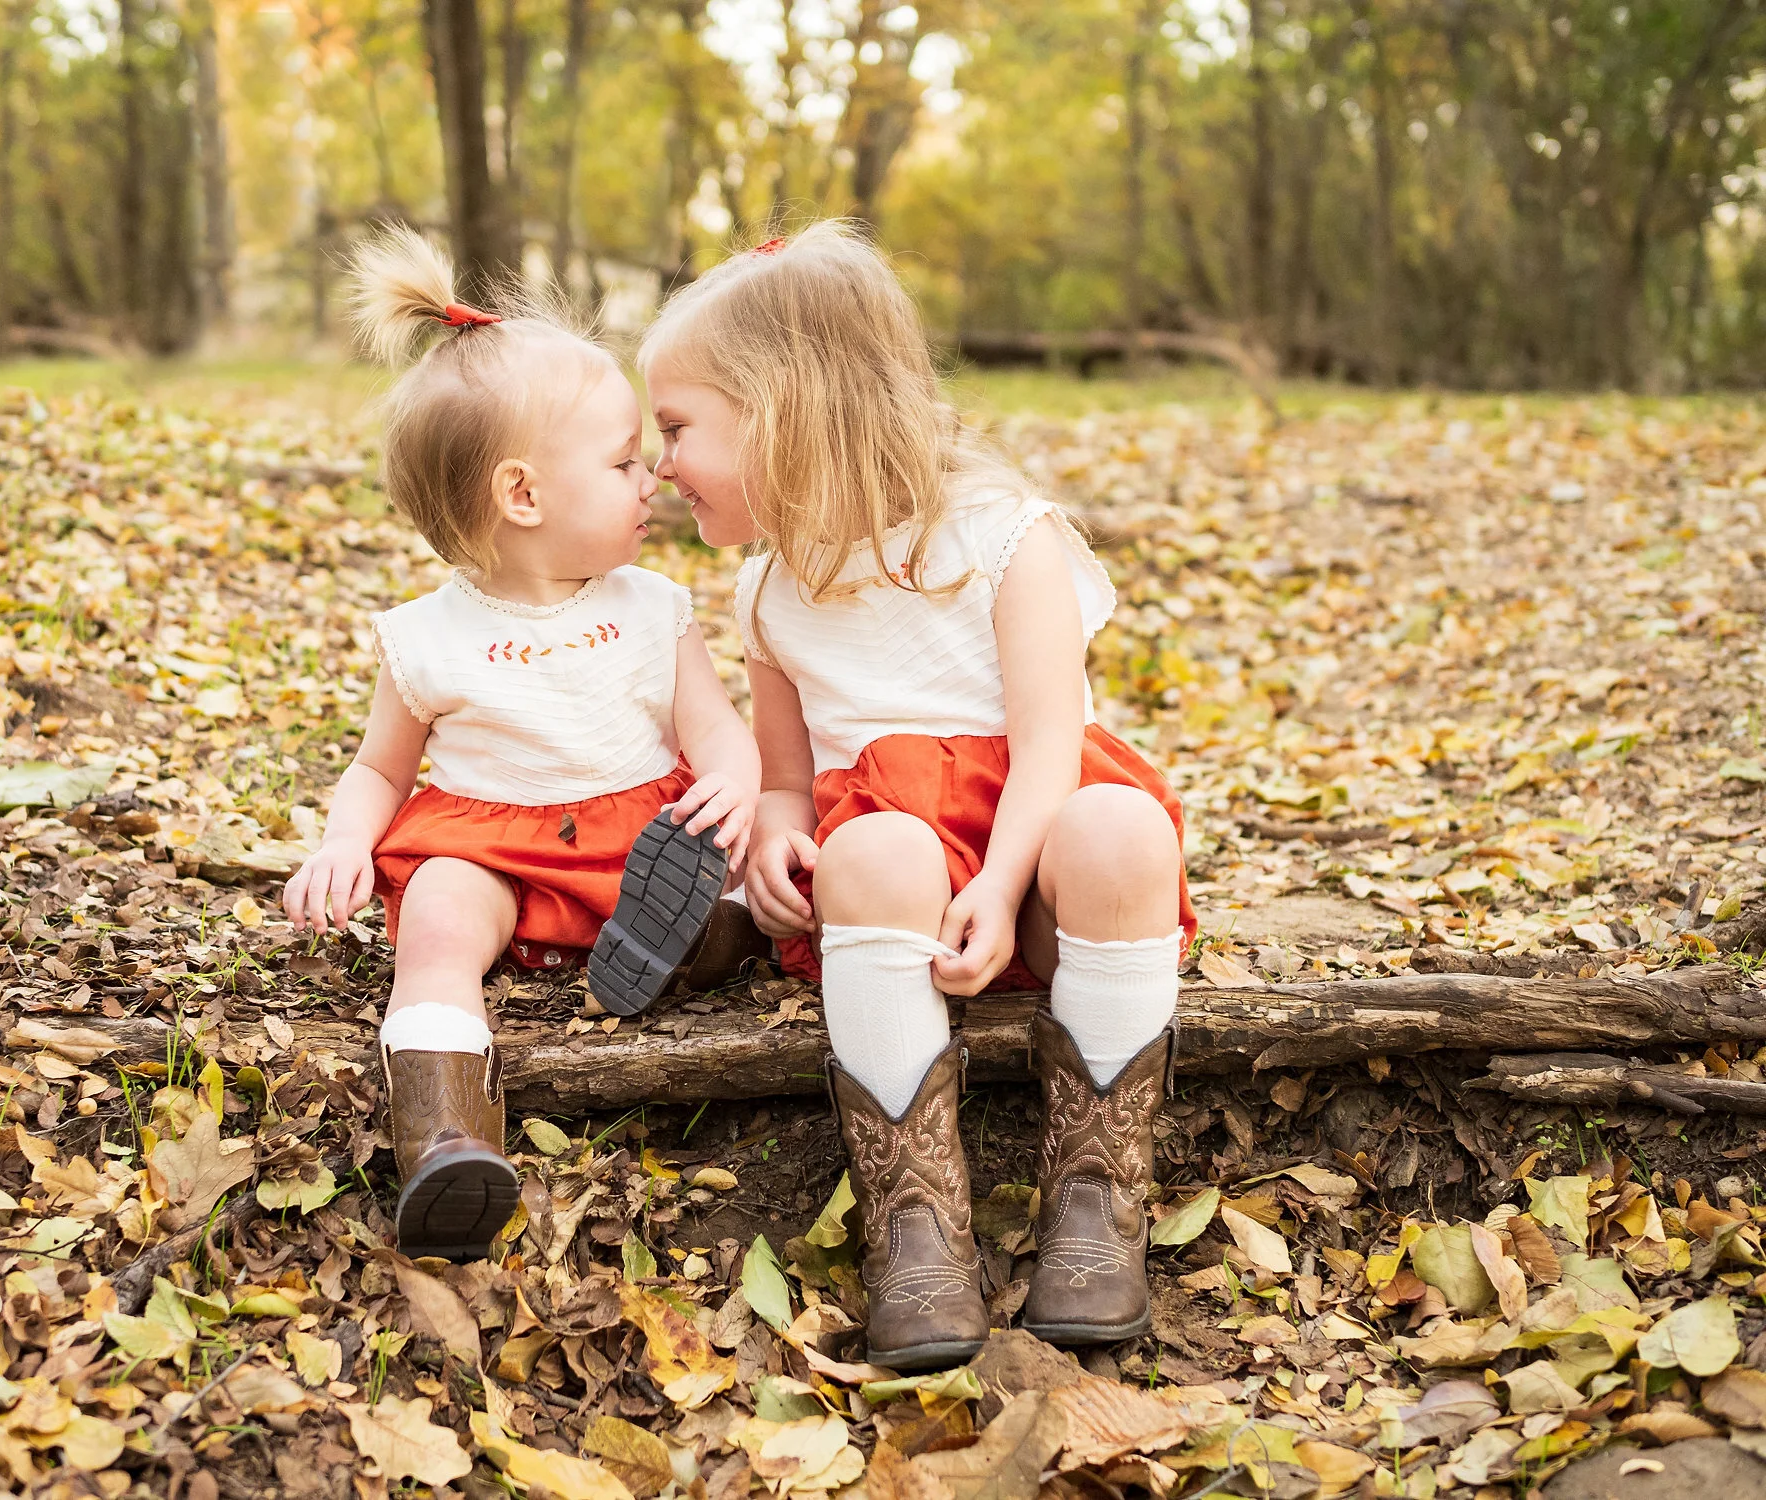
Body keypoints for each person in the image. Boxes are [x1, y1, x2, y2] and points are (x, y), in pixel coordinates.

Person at [640, 223, 1196, 1366]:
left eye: (678, 428)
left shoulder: (1004, 538)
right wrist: (778, 842)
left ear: (782, 410)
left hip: (1030, 861)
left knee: (1121, 824)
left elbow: (1051, 743)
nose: (658, 464)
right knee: (870, 852)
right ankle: (916, 1227)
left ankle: (1095, 1200)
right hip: (894, 886)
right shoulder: (769, 592)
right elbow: (788, 779)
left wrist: (998, 884)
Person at [284, 226, 761, 1260]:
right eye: (626, 462)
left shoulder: (651, 605)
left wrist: (733, 779)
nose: (653, 481)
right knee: (440, 924)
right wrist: (341, 844)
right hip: (492, 847)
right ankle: (446, 1132)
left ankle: (692, 938)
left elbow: (712, 725)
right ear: (524, 495)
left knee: (725, 851)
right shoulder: (426, 638)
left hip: (641, 830)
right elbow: (380, 768)